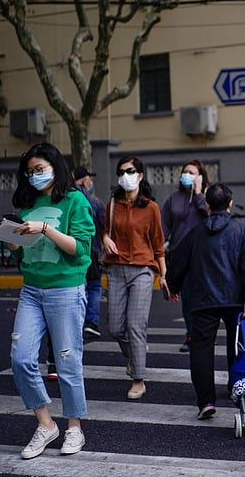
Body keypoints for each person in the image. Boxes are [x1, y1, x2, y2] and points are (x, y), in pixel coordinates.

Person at [8, 142, 94, 459]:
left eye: (39, 169)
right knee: (21, 358)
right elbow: (21, 248)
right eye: (29, 171)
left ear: (56, 168)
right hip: (31, 287)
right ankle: (45, 424)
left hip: (65, 289)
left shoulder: (75, 201)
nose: (34, 176)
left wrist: (45, 229)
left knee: (68, 360)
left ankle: (74, 428)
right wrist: (13, 239)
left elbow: (80, 248)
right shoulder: (28, 204)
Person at [166, 182, 245, 420]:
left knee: (201, 349)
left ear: (207, 205)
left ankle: (206, 400)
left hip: (202, 299)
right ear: (229, 204)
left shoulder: (195, 233)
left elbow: (178, 262)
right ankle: (235, 387)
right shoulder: (241, 231)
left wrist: (173, 286)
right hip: (235, 299)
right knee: (237, 344)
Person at [102, 156, 166, 401]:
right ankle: (133, 355)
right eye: (121, 171)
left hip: (142, 269)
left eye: (130, 171)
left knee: (135, 325)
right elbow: (105, 231)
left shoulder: (150, 207)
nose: (125, 175)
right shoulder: (112, 204)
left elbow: (158, 244)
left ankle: (138, 378)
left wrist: (163, 274)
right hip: (116, 268)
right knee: (116, 327)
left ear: (140, 175)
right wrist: (106, 239)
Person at [161, 159, 209, 352]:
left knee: (202, 299)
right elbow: (164, 226)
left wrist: (198, 194)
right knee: (187, 298)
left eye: (192, 172)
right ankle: (191, 335)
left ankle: (203, 334)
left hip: (202, 255)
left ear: (200, 177)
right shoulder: (173, 198)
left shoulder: (206, 197)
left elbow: (209, 216)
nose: (187, 175)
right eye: (185, 172)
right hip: (179, 256)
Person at [72, 166, 107, 338]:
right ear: (86, 181)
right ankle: (91, 321)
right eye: (89, 179)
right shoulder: (95, 202)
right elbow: (104, 227)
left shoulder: (67, 199)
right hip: (91, 251)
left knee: (75, 286)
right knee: (94, 286)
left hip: (70, 250)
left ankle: (74, 322)